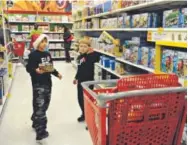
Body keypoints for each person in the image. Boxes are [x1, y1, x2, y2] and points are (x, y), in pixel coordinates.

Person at [26, 34, 62, 141]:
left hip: (47, 83)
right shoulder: (33, 55)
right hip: (38, 84)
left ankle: (35, 119)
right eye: (42, 41)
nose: (44, 44)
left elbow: (49, 67)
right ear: (37, 43)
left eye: (46, 41)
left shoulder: (47, 54)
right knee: (40, 107)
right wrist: (35, 70)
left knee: (45, 104)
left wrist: (56, 73)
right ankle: (41, 132)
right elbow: (28, 68)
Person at [73, 38, 100, 122]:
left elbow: (98, 56)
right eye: (81, 46)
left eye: (85, 46)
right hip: (80, 81)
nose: (82, 48)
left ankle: (90, 116)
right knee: (80, 98)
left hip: (89, 81)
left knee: (88, 99)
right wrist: (76, 77)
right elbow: (79, 68)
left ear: (89, 47)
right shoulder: (80, 57)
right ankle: (84, 114)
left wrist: (92, 52)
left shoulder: (92, 56)